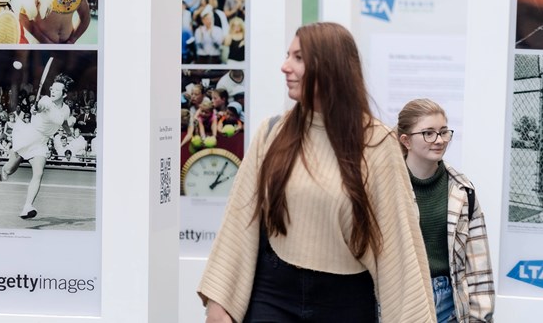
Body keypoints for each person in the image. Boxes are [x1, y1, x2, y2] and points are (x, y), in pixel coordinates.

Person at [199, 22, 435, 323]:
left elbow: (397, 246)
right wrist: (219, 305)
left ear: (330, 67)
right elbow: (239, 222)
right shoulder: (271, 133)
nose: (285, 66)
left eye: (298, 58)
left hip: (344, 304)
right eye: (288, 55)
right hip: (272, 296)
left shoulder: (377, 144)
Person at [397, 99, 495, 323]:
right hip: (400, 301)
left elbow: (479, 265)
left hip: (449, 304)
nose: (439, 140)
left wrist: (481, 317)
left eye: (443, 132)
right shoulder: (385, 187)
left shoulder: (462, 190)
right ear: (406, 141)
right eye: (428, 133)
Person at [0, 73, 74, 218]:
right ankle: (5, 168)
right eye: (52, 88)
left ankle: (27, 206)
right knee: (9, 169)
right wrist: (36, 109)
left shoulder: (66, 109)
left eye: (57, 90)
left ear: (64, 95)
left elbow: (63, 122)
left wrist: (69, 132)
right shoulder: (46, 100)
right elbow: (40, 107)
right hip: (27, 136)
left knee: (38, 173)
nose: (52, 91)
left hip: (41, 142)